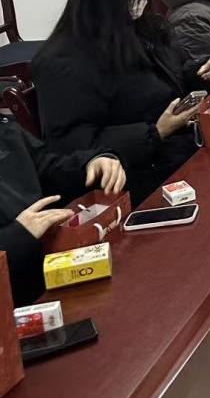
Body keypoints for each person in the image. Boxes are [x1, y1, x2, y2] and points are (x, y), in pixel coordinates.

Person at [32, 0, 210, 200]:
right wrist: (156, 132)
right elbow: (71, 144)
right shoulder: (63, 62)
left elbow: (173, 75)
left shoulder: (148, 29)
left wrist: (201, 71)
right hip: (133, 176)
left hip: (184, 149)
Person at [0, 119, 126, 305]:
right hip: (15, 295)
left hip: (54, 265)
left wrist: (91, 164)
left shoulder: (5, 128)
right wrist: (17, 236)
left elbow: (47, 167)